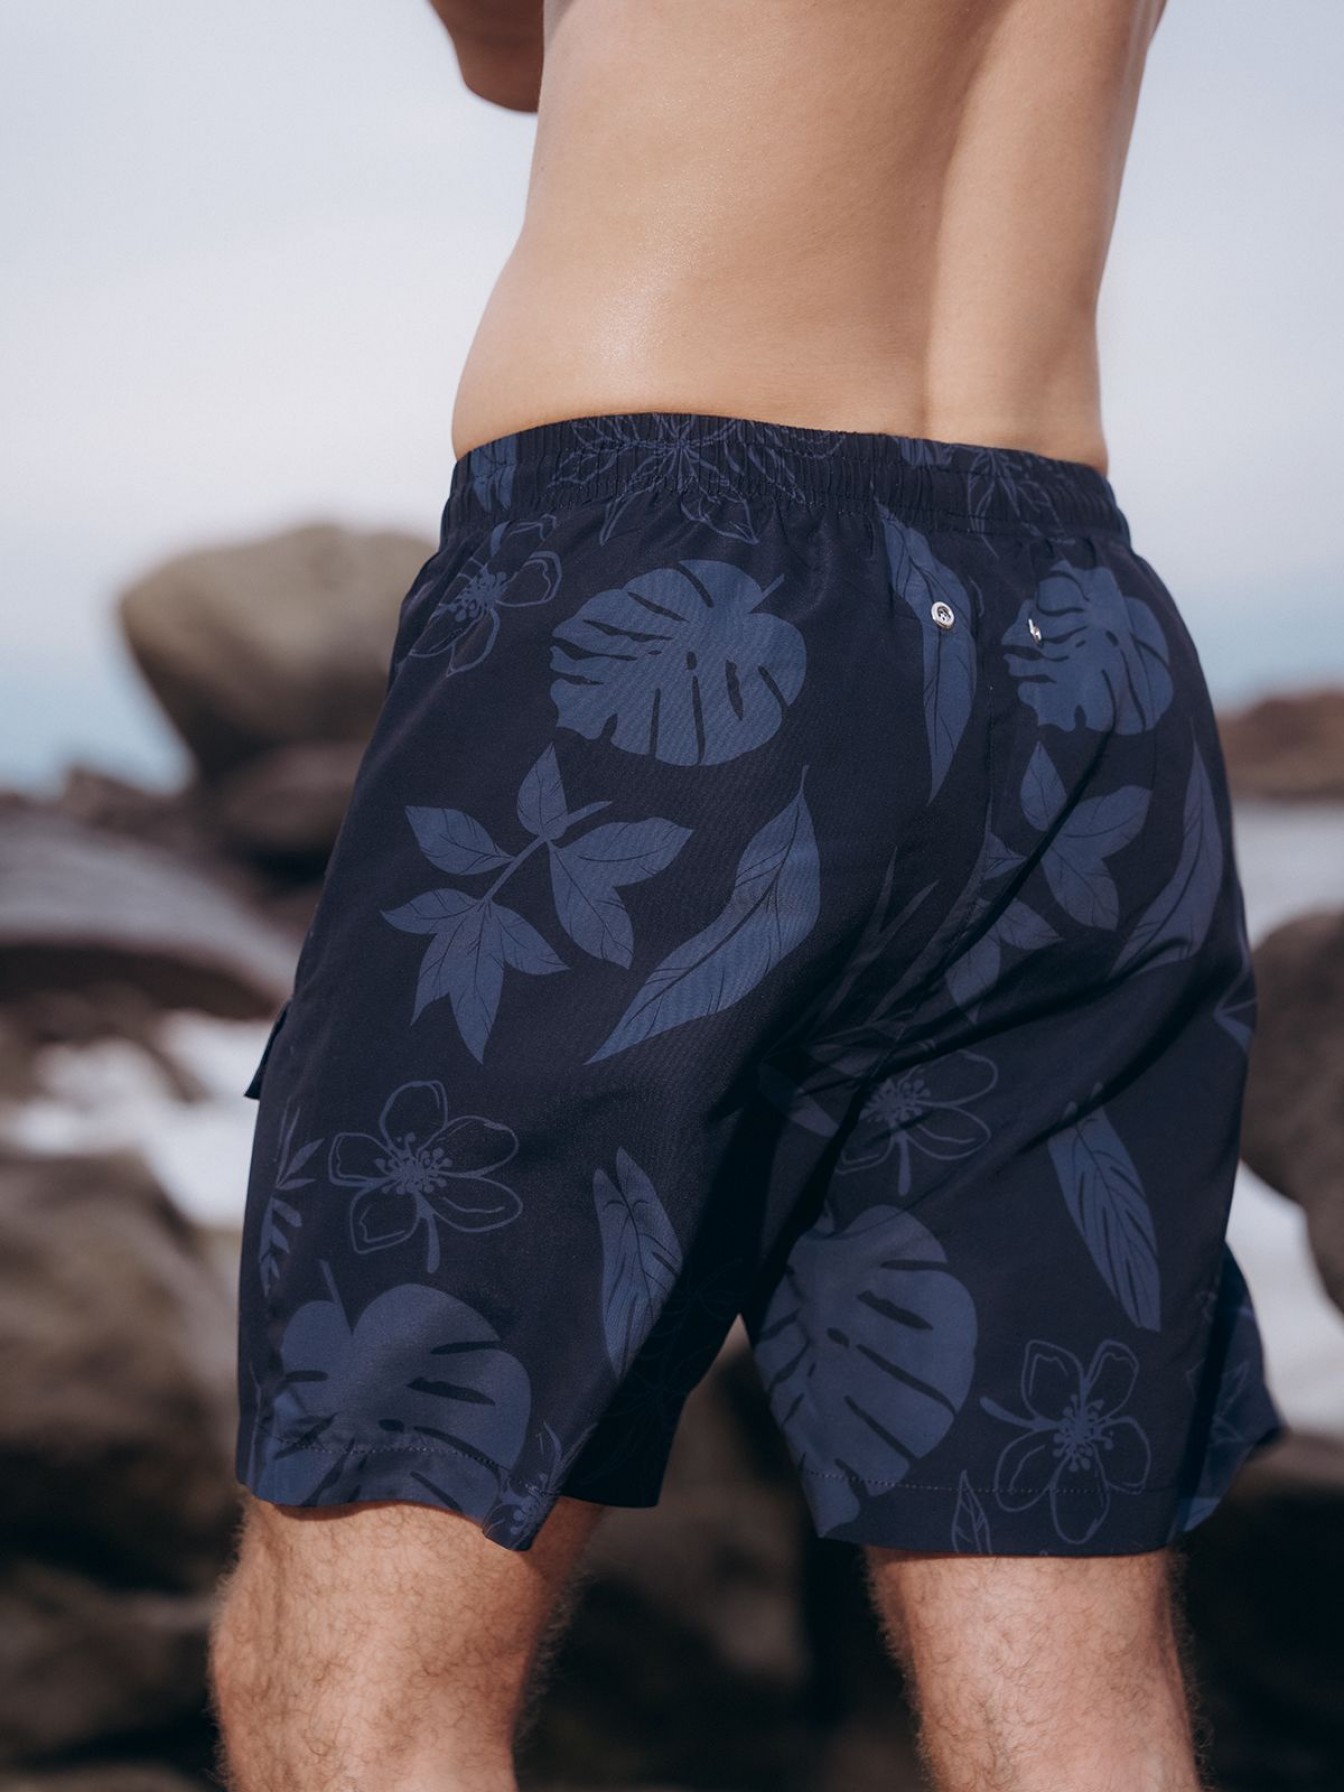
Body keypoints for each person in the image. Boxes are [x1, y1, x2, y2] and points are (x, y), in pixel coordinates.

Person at [210, 2, 1288, 1787]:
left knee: (366, 1650)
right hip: (1071, 637)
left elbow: (503, 52)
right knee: (1072, 1681)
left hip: (661, 581)